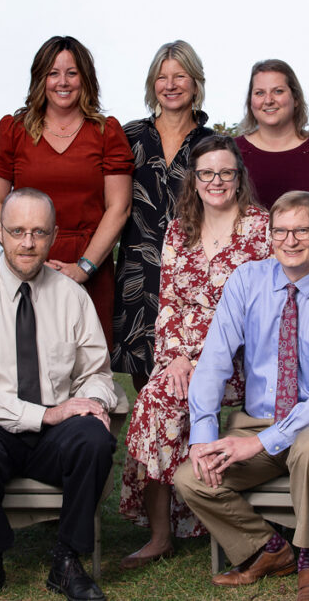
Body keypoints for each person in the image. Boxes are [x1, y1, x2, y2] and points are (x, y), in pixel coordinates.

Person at [174, 191, 309, 601]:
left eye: (302, 230)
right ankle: (268, 550)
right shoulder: (247, 281)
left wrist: (260, 443)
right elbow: (214, 361)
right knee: (191, 478)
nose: (291, 240)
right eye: (281, 231)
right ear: (270, 234)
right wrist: (203, 435)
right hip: (257, 423)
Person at [0, 188, 119, 601]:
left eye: (39, 232)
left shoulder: (72, 296)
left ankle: (67, 559)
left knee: (93, 439)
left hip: (50, 437)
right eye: (18, 230)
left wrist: (91, 402)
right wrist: (45, 416)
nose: (28, 242)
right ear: (0, 231)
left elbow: (96, 372)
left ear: (53, 236)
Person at [118, 135, 269, 570]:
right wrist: (175, 359)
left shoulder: (260, 227)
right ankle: (161, 533)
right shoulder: (180, 226)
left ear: (239, 177)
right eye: (207, 173)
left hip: (239, 356)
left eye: (226, 172)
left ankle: (192, 520)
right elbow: (168, 302)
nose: (216, 181)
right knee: (155, 399)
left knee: (163, 402)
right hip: (183, 352)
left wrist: (209, 360)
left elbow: (273, 299)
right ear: (194, 179)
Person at [0, 36, 134, 350]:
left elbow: (119, 206)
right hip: (25, 263)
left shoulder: (107, 132)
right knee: (23, 366)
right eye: (53, 73)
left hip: (89, 264)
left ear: (85, 79)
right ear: (41, 79)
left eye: (72, 73)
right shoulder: (13, 130)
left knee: (86, 371)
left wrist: (84, 268)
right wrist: (22, 255)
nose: (62, 82)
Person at [112, 40, 214, 391]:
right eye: (162, 77)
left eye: (180, 76)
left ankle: (193, 447)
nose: (170, 85)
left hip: (191, 276)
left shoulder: (212, 145)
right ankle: (147, 447)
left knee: (190, 383)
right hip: (138, 272)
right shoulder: (129, 136)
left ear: (196, 82)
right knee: (145, 384)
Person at [234, 59, 309, 209]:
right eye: (259, 93)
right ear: (250, 102)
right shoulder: (230, 152)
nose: (268, 100)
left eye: (278, 91)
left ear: (296, 98)